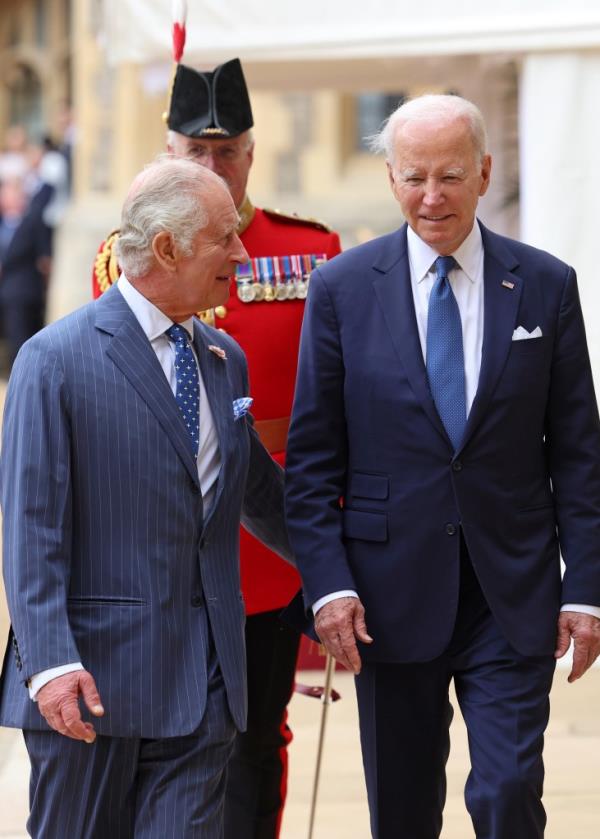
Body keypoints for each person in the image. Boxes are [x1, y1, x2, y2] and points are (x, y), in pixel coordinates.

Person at [284, 94, 600, 839]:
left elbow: (580, 455)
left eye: (452, 176)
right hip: (386, 600)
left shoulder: (547, 285)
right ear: (390, 179)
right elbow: (312, 463)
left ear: (486, 172)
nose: (433, 197)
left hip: (511, 591)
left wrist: (586, 588)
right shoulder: (339, 289)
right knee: (402, 812)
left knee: (507, 788)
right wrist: (328, 586)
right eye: (415, 176)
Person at [0, 156, 293, 838]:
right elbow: (30, 528)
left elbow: (259, 494)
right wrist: (50, 662)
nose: (242, 253)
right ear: (167, 247)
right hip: (92, 690)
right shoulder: (55, 359)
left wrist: (348, 572)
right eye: (225, 236)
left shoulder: (225, 359)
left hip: (207, 689)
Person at [91, 57, 341, 838]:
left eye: (227, 151)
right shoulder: (120, 254)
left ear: (252, 155)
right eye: (194, 153)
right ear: (167, 155)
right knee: (158, 736)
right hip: (161, 537)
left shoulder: (311, 251)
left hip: (267, 544)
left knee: (255, 738)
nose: (212, 166)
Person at [0, 177, 52, 365]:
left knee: (21, 342)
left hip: (21, 293)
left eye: (15, 195)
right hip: (5, 293)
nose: (10, 199)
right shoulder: (3, 223)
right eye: (6, 195)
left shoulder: (33, 222)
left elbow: (45, 258)